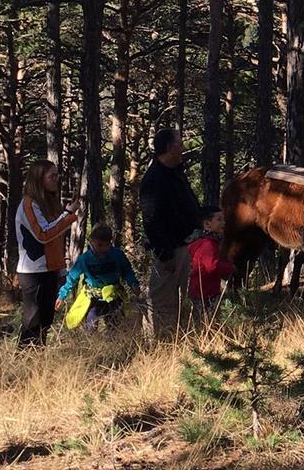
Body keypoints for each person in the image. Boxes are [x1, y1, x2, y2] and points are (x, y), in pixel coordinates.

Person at [140, 128, 202, 335]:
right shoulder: (154, 179)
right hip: (168, 251)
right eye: (179, 143)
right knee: (163, 302)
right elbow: (151, 219)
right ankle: (162, 347)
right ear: (169, 148)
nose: (183, 147)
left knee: (183, 299)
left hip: (185, 246)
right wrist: (165, 253)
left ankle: (180, 341)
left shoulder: (176, 174)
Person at [15, 160, 78, 344]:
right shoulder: (28, 204)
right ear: (38, 179)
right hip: (32, 272)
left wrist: (61, 270)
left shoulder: (47, 204)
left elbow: (55, 241)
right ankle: (23, 361)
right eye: (52, 176)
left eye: (57, 176)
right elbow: (43, 235)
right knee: (33, 321)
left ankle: (37, 362)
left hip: (49, 269)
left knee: (46, 321)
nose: (56, 180)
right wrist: (67, 215)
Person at [57, 223, 140, 329]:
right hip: (93, 298)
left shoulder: (117, 255)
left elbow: (127, 271)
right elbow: (72, 278)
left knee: (116, 326)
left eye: (107, 245)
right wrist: (62, 295)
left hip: (113, 297)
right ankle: (93, 344)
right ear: (91, 241)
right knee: (91, 327)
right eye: (100, 245)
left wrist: (133, 284)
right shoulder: (85, 259)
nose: (103, 248)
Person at [187, 204, 236, 320]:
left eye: (223, 219)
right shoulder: (208, 244)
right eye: (219, 220)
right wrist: (230, 267)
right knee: (208, 322)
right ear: (207, 224)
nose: (223, 223)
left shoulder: (199, 242)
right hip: (206, 293)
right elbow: (212, 266)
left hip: (199, 292)